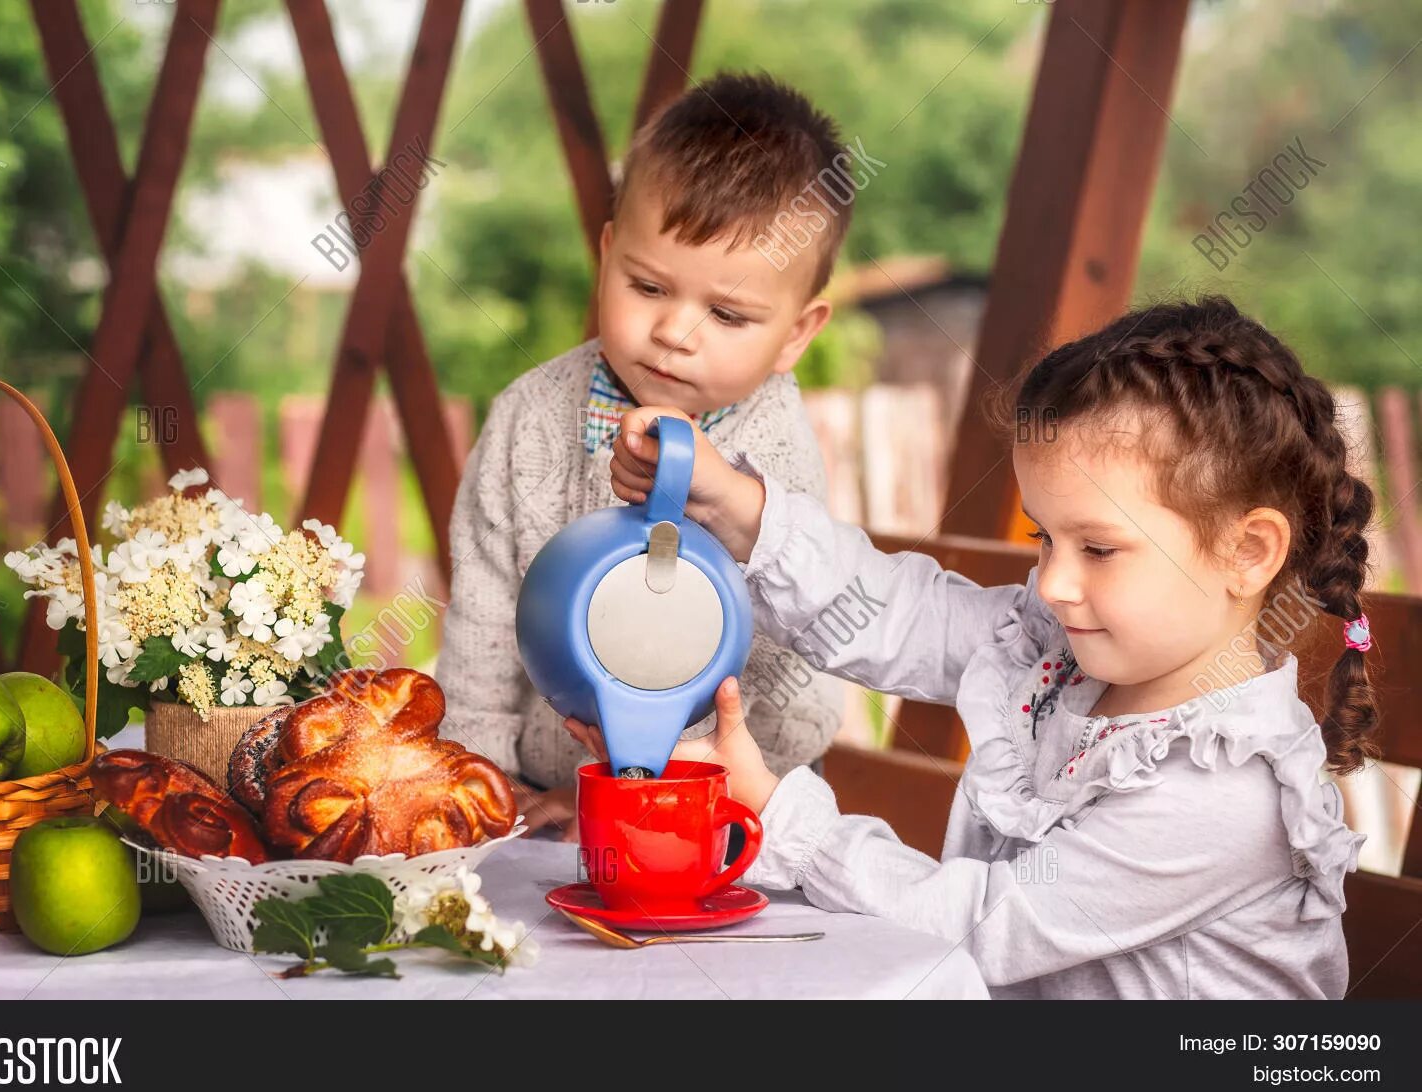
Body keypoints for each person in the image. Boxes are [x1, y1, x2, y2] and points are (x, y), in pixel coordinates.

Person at [572, 295, 1375, 998]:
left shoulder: (1221, 793)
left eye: (1097, 549)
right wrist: (739, 505)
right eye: (1043, 537)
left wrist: (779, 811)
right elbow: (898, 612)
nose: (1054, 581)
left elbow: (977, 924)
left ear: (1248, 552)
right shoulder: (1062, 656)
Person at [435, 72, 858, 841]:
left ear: (797, 333)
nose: (676, 332)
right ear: (606, 256)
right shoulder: (529, 418)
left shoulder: (772, 455)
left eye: (727, 313)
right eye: (648, 286)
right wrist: (482, 784)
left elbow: (774, 650)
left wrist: (656, 786)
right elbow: (484, 622)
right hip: (541, 790)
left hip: (738, 787)